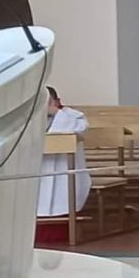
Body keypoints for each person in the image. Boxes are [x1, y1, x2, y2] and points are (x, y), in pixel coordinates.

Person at [37, 87, 90, 220]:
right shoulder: (29, 119)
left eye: (48, 101)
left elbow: (81, 128)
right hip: (38, 172)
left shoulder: (72, 116)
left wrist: (55, 112)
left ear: (57, 101)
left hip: (64, 172)